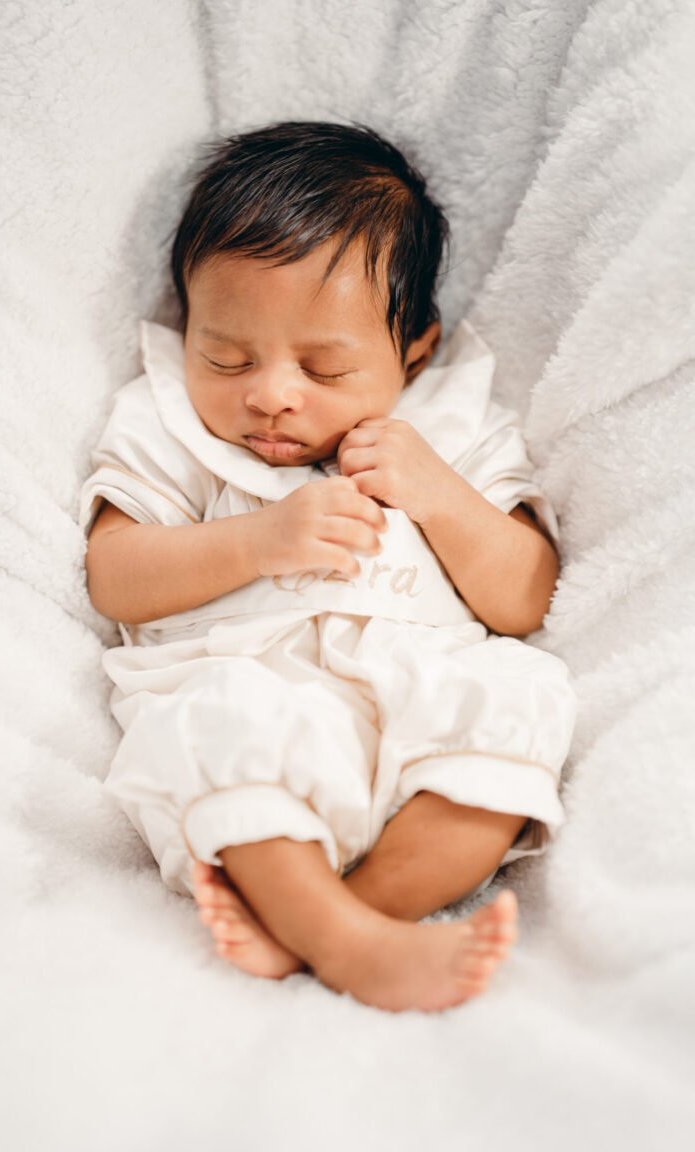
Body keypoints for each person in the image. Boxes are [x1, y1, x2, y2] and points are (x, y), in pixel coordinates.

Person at [79, 121, 576, 1013]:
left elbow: (526, 597)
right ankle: (342, 937)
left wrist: (440, 493)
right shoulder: (169, 423)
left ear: (412, 351)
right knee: (220, 722)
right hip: (247, 688)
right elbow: (114, 576)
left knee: (522, 697)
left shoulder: (455, 423)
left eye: (325, 365)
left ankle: (343, 920)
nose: (269, 392)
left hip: (423, 691)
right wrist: (257, 541)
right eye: (225, 355)